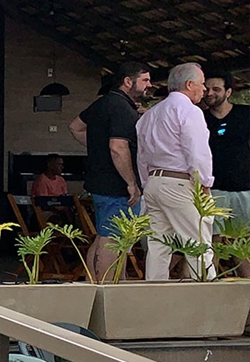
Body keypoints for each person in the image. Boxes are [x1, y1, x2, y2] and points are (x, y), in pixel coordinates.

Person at [69, 61, 150, 280]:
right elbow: (118, 147)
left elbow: (75, 126)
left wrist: (97, 148)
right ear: (128, 81)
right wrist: (131, 183)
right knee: (113, 239)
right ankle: (106, 289)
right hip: (117, 185)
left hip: (99, 180)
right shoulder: (122, 108)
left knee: (104, 236)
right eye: (145, 80)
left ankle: (96, 283)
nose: (149, 85)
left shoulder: (102, 103)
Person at [137, 62, 214, 281]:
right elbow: (196, 151)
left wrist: (146, 184)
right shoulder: (189, 111)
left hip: (154, 181)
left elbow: (141, 155)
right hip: (179, 181)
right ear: (189, 84)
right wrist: (204, 184)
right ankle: (208, 292)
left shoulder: (150, 114)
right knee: (197, 241)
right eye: (201, 84)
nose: (204, 89)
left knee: (159, 245)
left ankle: (155, 293)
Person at [204, 71, 250, 275]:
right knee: (212, 241)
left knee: (242, 243)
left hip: (244, 189)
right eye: (207, 89)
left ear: (228, 92)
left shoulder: (245, 114)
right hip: (212, 190)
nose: (210, 93)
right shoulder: (199, 118)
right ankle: (209, 286)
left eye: (216, 89)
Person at [29, 154, 73, 221]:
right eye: (59, 164)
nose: (62, 167)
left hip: (62, 210)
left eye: (62, 164)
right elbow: (43, 203)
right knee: (55, 219)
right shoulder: (41, 181)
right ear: (49, 165)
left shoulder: (61, 180)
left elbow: (65, 197)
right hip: (45, 211)